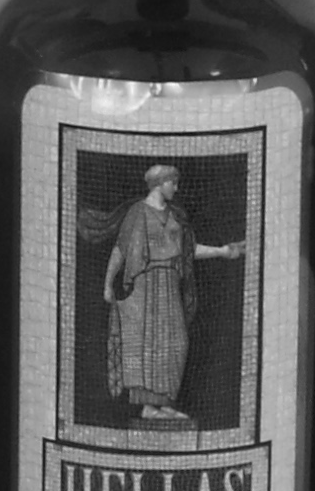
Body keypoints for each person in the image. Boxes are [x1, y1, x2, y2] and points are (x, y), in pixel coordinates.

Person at [101, 161, 246, 424]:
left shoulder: (175, 216)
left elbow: (187, 251)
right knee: (148, 343)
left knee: (176, 343)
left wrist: (223, 251)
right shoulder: (137, 213)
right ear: (159, 184)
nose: (176, 188)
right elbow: (121, 249)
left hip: (169, 284)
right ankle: (148, 407)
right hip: (146, 285)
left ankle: (163, 402)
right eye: (173, 183)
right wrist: (108, 283)